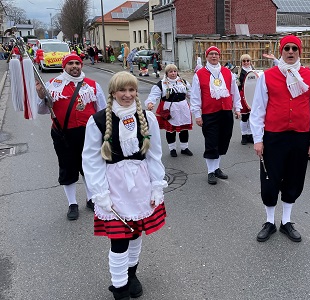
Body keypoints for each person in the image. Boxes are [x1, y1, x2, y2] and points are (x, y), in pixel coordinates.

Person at [82, 71, 167, 300]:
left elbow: (155, 155)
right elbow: (91, 160)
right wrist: (100, 194)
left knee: (136, 232)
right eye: (122, 90)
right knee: (119, 239)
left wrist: (157, 185)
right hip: (114, 186)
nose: (127, 95)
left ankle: (132, 274)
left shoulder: (148, 118)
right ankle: (119, 288)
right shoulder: (98, 120)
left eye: (132, 90)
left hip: (140, 184)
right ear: (113, 92)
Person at [250, 35, 310, 242]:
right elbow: (258, 109)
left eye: (294, 49)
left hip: (300, 137)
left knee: (294, 178)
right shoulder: (268, 76)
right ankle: (270, 221)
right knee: (270, 178)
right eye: (286, 49)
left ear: (300, 52)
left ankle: (286, 222)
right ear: (281, 51)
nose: (290, 52)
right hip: (274, 136)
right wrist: (258, 138)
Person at [35, 52, 107, 220]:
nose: (74, 66)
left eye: (77, 63)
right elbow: (42, 110)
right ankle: (72, 203)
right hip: (62, 134)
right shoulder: (52, 85)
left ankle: (91, 199)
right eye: (71, 63)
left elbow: (102, 110)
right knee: (68, 168)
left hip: (88, 134)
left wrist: (104, 133)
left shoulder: (92, 85)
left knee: (89, 167)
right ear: (64, 66)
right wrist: (41, 97)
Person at [190, 45, 242, 185]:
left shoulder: (227, 72)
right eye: (211, 54)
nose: (214, 56)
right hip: (209, 113)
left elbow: (234, 92)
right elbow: (195, 96)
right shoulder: (200, 74)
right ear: (206, 57)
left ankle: (217, 167)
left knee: (222, 141)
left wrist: (237, 108)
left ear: (219, 56)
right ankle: (210, 171)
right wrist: (197, 114)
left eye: (216, 54)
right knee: (211, 142)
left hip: (225, 112)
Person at [146, 64, 194, 157]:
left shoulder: (183, 82)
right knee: (170, 130)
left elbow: (191, 94)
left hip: (183, 108)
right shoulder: (161, 84)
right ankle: (172, 149)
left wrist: (198, 103)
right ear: (167, 73)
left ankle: (184, 148)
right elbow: (153, 95)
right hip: (170, 109)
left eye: (175, 71)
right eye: (170, 71)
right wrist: (150, 103)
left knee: (184, 129)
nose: (173, 73)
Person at [237, 54, 254, 145]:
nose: (246, 62)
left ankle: (250, 134)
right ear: (241, 62)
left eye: (248, 61)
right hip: (243, 95)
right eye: (244, 61)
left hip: (253, 95)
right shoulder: (238, 73)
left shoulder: (254, 71)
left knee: (252, 117)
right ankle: (244, 135)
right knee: (244, 117)